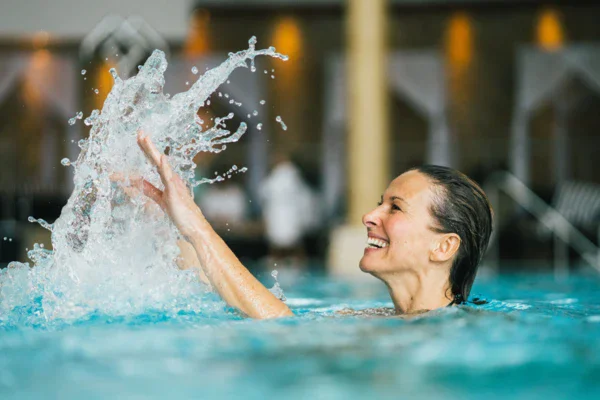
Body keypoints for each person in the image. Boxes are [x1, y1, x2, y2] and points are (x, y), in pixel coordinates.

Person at [136, 132, 493, 319]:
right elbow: (248, 303)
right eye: (379, 202)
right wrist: (171, 223)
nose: (369, 216)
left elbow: (279, 325)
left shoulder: (462, 331)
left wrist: (198, 225)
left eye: (395, 208)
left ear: (444, 246)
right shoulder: (373, 319)